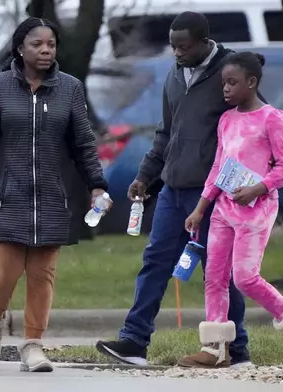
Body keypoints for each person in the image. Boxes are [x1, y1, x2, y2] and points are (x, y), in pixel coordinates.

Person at [0, 17, 109, 373]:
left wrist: (97, 184)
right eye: (37, 44)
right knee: (3, 271)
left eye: (50, 44)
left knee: (42, 274)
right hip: (10, 195)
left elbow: (83, 143)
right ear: (20, 48)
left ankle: (33, 345)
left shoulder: (70, 88)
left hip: (53, 196)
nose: (45, 50)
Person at [96, 11, 252, 367]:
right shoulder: (174, 74)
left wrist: (231, 187)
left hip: (213, 192)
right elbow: (166, 133)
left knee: (218, 270)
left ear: (203, 41)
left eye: (184, 47)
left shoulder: (229, 73)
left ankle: (238, 349)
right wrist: (145, 176)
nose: (178, 53)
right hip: (172, 188)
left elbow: (247, 134)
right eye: (173, 46)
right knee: (155, 262)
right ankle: (134, 342)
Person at [180, 52, 283, 368]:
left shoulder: (272, 118)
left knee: (245, 278)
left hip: (257, 210)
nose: (226, 89)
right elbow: (219, 168)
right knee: (215, 277)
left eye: (233, 83)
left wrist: (257, 188)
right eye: (224, 83)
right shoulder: (227, 120)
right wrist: (201, 208)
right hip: (223, 210)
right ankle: (214, 349)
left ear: (252, 82)